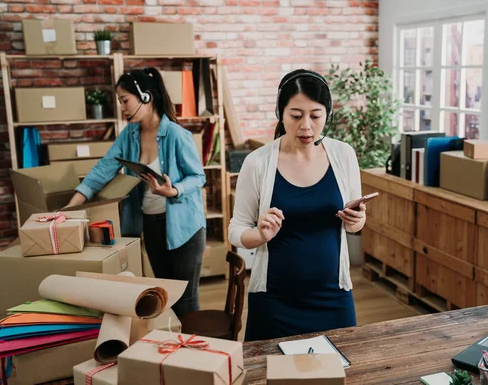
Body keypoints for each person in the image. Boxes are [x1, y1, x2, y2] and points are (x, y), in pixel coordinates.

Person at [228, 69, 367, 341]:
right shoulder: (258, 162)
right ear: (281, 113)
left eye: (315, 116)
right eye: (296, 115)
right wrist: (259, 234)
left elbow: (356, 223)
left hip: (333, 296)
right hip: (274, 300)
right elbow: (236, 230)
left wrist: (356, 221)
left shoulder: (343, 155)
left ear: (327, 114)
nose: (306, 126)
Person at [65, 68, 206, 318]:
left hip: (185, 228)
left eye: (125, 100)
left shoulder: (176, 135)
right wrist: (70, 208)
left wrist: (173, 190)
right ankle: (172, 353)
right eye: (120, 102)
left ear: (146, 97)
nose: (123, 108)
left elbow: (198, 177)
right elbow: (103, 169)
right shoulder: (129, 136)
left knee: (185, 301)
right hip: (151, 225)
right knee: (165, 297)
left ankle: (194, 354)